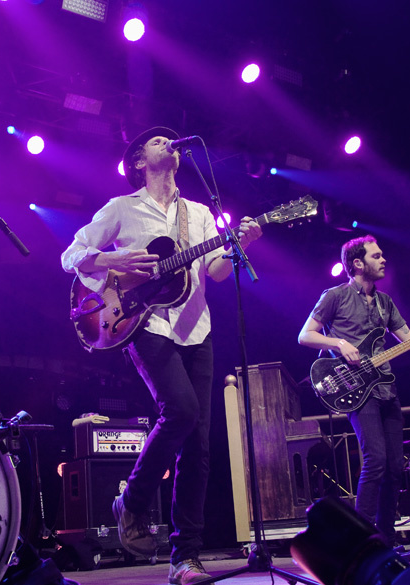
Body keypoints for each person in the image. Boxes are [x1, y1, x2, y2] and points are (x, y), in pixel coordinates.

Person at [61, 127, 262, 584]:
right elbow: (70, 255)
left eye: (171, 141)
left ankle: (184, 558)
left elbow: (213, 269)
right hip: (143, 323)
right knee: (182, 410)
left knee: (201, 445)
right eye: (156, 141)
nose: (168, 144)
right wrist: (113, 261)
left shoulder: (200, 213)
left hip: (198, 329)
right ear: (137, 161)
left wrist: (240, 247)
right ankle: (132, 500)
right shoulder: (121, 208)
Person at [297, 235, 410, 543]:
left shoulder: (385, 301)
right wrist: (338, 342)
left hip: (386, 389)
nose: (384, 259)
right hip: (356, 389)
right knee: (374, 460)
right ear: (358, 263)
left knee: (394, 467)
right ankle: (358, 540)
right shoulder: (334, 296)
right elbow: (305, 335)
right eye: (376, 256)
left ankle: (385, 539)